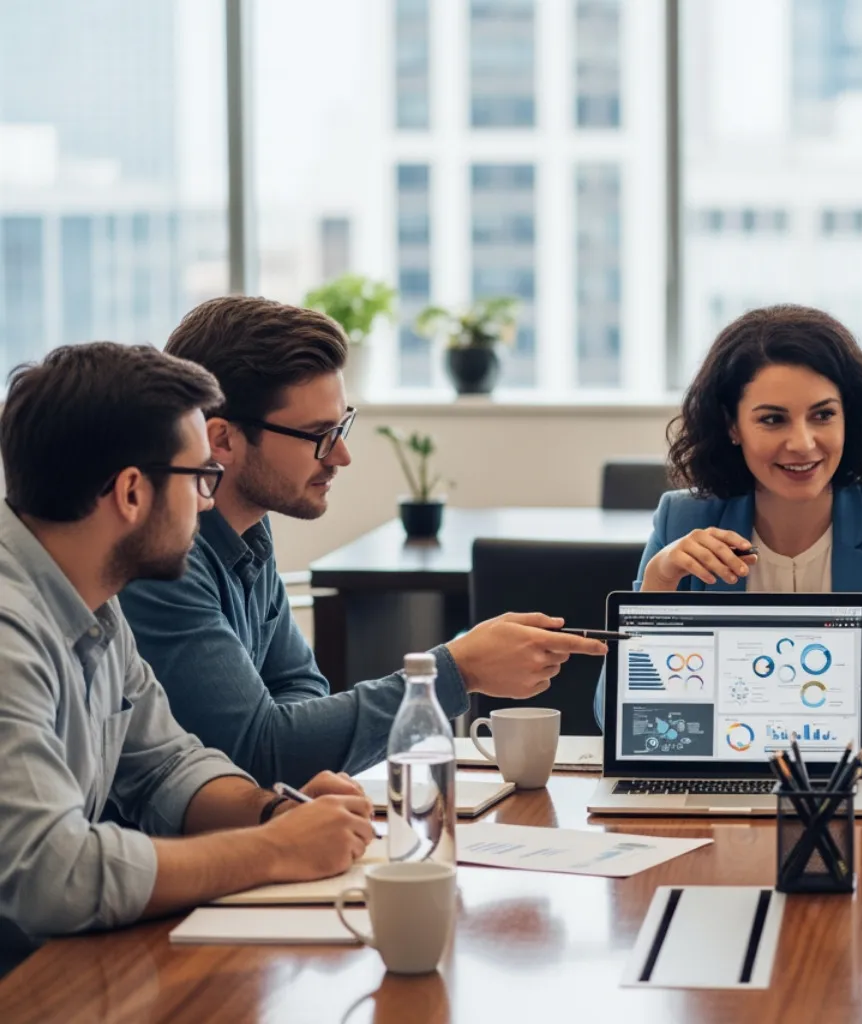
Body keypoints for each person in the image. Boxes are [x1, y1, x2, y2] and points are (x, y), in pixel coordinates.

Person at [119, 296, 608, 788]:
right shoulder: (162, 561)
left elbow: (299, 688)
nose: (342, 456)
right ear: (221, 440)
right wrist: (453, 672)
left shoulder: (248, 530)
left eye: (341, 427)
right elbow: (259, 751)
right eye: (319, 435)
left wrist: (287, 743)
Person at [0, 343, 377, 975]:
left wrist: (275, 810)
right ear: (130, 493)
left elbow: (167, 764)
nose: (209, 500)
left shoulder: (91, 600)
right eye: (200, 478)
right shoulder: (11, 631)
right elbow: (50, 872)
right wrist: (271, 850)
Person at [593, 304, 862, 755]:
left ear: (849, 416)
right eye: (772, 419)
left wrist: (722, 711)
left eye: (823, 415)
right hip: (712, 801)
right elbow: (619, 717)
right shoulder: (682, 521)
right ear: (732, 426)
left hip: (857, 799)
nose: (802, 443)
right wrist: (658, 585)